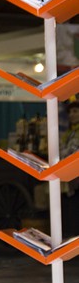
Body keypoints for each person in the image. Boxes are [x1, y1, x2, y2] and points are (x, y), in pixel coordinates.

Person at [59, 101, 79, 238]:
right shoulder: (70, 132)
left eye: (75, 111)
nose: (71, 115)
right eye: (70, 112)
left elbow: (70, 152)